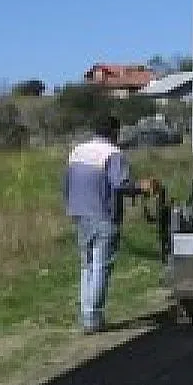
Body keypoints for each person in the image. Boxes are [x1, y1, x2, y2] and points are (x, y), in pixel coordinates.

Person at [64, 114, 155, 334]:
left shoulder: (78, 151)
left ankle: (86, 314)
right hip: (103, 215)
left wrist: (70, 205)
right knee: (101, 267)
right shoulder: (113, 154)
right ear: (115, 132)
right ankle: (94, 318)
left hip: (79, 212)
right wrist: (142, 187)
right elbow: (121, 184)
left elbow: (66, 182)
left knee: (86, 266)